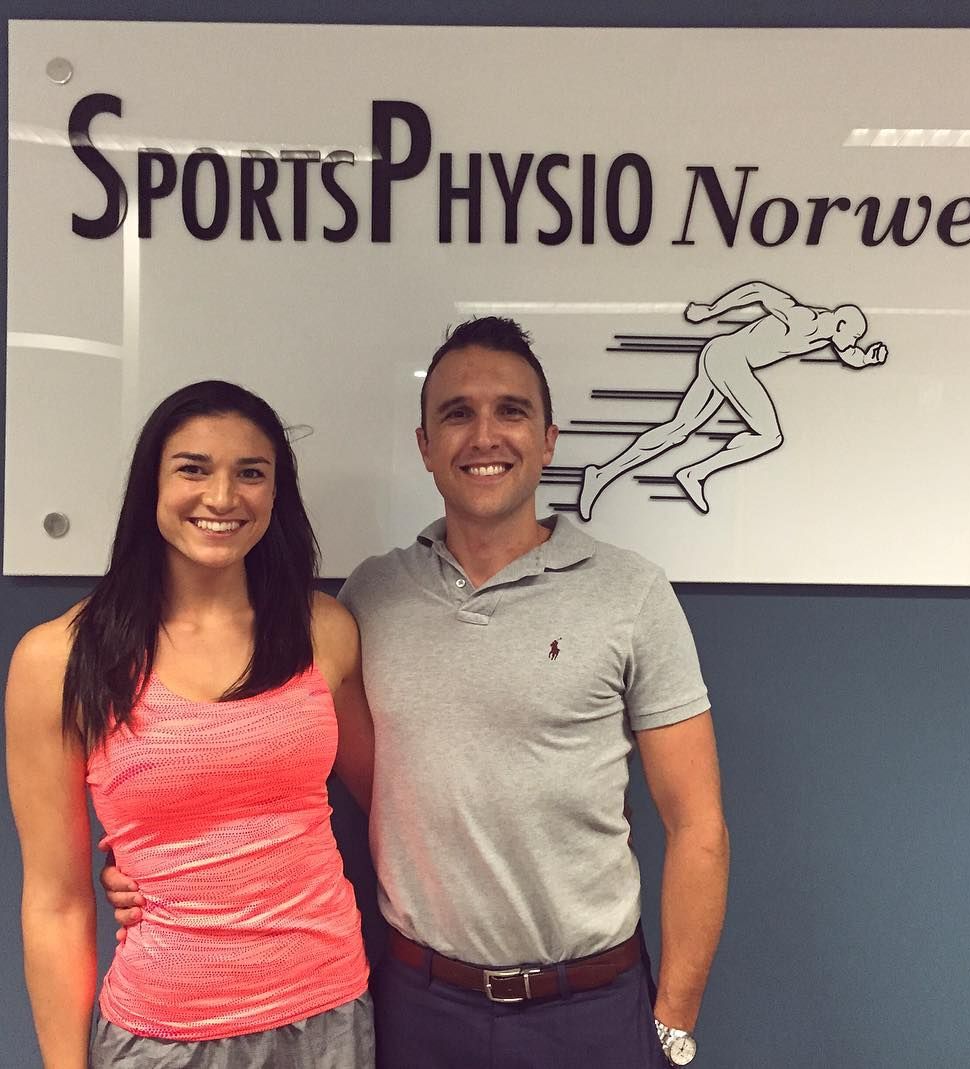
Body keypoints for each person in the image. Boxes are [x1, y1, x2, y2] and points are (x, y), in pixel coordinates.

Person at [106, 320, 729, 1067]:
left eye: (511, 411)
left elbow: (697, 825)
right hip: (418, 1004)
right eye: (457, 414)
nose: (485, 435)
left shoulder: (631, 593)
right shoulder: (370, 598)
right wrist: (154, 867)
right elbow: (320, 775)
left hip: (589, 1004)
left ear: (549, 439)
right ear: (425, 446)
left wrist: (674, 1022)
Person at [6, 381, 375, 1068]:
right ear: (152, 483)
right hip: (161, 1036)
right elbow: (55, 904)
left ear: (277, 493)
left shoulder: (324, 631)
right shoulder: (57, 660)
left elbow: (395, 805)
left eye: (250, 473)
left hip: (328, 1015)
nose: (222, 496)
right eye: (193, 469)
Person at [578, 280, 889, 519]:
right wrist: (711, 310)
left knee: (679, 429)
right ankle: (695, 473)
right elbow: (758, 290)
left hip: (722, 356)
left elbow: (849, 355)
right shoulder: (803, 318)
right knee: (770, 435)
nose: (852, 343)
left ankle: (600, 475)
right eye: (853, 336)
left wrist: (867, 359)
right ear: (840, 325)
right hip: (729, 358)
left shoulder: (827, 334)